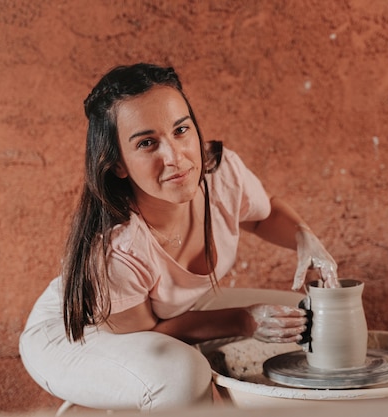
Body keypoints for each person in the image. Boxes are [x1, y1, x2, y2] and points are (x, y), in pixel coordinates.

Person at [19, 63, 338, 412]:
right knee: (182, 373)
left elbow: (263, 217)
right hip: (81, 335)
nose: (175, 157)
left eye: (181, 130)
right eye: (147, 143)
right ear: (118, 164)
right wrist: (246, 320)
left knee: (308, 321)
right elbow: (152, 332)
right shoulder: (116, 249)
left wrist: (305, 238)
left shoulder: (220, 174)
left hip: (171, 313)